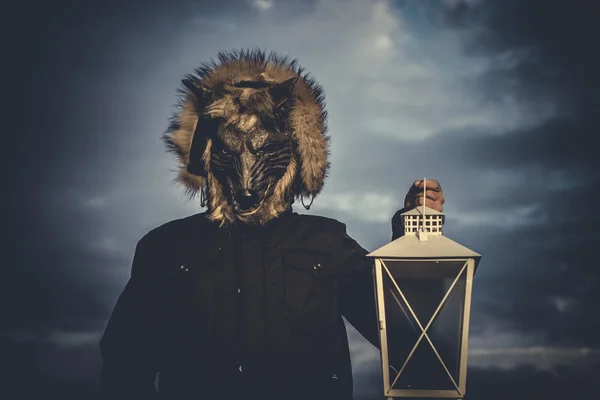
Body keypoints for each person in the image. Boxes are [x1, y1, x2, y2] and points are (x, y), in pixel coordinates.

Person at [99, 49, 445, 400]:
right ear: (207, 154)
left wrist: (416, 240)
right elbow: (125, 365)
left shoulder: (327, 242)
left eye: (264, 152)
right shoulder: (167, 249)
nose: (247, 180)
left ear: (297, 156)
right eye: (231, 152)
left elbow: (404, 334)